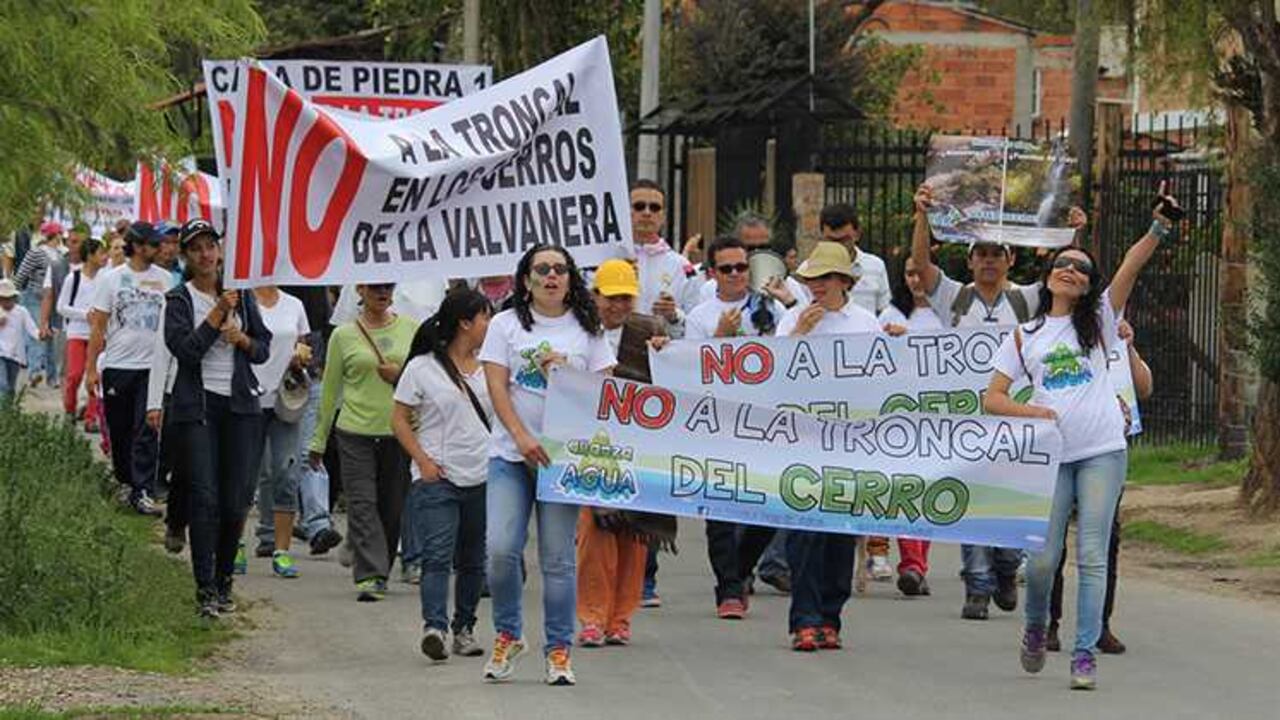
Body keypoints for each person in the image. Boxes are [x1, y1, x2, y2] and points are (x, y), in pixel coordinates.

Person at [985, 194, 1169, 690]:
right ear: (1048, 276)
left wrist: (1158, 228)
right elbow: (993, 398)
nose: (1071, 270)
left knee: (1092, 553)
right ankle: (1035, 626)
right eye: (1063, 264)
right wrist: (1035, 410)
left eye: (1081, 268)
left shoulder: (1101, 324)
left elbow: (1130, 266)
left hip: (1103, 451)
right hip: (1053, 457)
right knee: (1042, 560)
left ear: (1089, 286)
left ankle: (1084, 654)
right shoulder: (1025, 335)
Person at [911, 184, 1087, 620]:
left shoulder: (1025, 299)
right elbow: (921, 263)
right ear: (970, 259)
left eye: (997, 253)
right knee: (973, 496)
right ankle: (977, 585)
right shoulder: (955, 297)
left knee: (1008, 495)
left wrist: (1075, 235)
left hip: (1014, 415)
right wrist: (921, 216)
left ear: (1011, 259)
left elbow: (1068, 278)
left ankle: (1006, 567)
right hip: (969, 416)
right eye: (981, 253)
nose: (989, 260)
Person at [479, 244, 614, 686]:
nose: (552, 276)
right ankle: (508, 634)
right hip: (511, 455)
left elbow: (604, 393)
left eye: (560, 269)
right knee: (500, 550)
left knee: (557, 561)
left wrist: (568, 375)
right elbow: (497, 387)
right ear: (526, 280)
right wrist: (520, 436)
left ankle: (558, 649)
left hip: (563, 461)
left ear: (571, 278)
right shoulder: (505, 325)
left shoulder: (588, 329)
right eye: (542, 269)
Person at [773, 241, 885, 650]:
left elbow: (883, 378)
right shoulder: (791, 320)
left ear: (842, 281)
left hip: (849, 443)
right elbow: (772, 373)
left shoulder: (865, 322)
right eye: (810, 279)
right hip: (802, 440)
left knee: (840, 533)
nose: (815, 286)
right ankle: (803, 617)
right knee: (804, 533)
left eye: (823, 279)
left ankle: (830, 616)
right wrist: (800, 332)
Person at [159, 219, 271, 618]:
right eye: (197, 249)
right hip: (198, 407)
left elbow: (263, 350)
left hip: (241, 406)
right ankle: (204, 587)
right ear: (187, 257)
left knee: (235, 500)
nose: (206, 255)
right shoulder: (179, 301)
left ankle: (225, 580)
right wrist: (216, 315)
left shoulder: (242, 296)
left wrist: (242, 339)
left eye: (211, 246)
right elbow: (186, 352)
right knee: (204, 498)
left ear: (220, 251)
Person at [391, 288, 494, 663]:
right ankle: (434, 627)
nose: (489, 324)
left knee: (472, 559)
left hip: (483, 474)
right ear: (465, 323)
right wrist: (423, 460)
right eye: (484, 317)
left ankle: (464, 628)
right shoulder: (423, 367)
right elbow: (399, 418)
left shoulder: (492, 366)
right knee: (436, 555)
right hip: (438, 477)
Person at [576, 259, 672, 648]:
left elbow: (675, 380)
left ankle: (620, 617)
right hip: (590, 446)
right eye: (610, 298)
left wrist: (666, 353)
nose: (617, 306)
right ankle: (592, 617)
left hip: (639, 447)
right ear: (594, 295)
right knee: (595, 535)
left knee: (635, 536)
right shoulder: (577, 332)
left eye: (624, 298)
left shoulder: (650, 330)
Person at [686, 235, 782, 619]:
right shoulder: (701, 316)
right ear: (713, 274)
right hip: (719, 422)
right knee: (721, 511)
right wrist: (720, 339)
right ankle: (728, 587)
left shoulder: (771, 307)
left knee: (768, 508)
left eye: (742, 267)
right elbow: (690, 369)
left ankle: (741, 570)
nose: (736, 275)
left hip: (766, 421)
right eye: (726, 269)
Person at [1046, 317, 1153, 655]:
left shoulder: (1116, 337)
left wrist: (1130, 346)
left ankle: (1099, 625)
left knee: (1104, 542)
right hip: (1062, 452)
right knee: (1052, 543)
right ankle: (1048, 622)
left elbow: (1145, 387)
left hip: (1105, 454)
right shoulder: (1054, 337)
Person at [309, 283, 416, 601]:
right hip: (354, 430)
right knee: (362, 502)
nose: (382, 292)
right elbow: (330, 390)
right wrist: (318, 439)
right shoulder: (343, 335)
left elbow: (423, 378)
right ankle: (371, 574)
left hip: (397, 431)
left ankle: (371, 557)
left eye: (388, 286)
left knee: (391, 506)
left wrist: (400, 375)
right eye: (375, 287)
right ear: (360, 289)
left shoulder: (411, 329)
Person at [86, 221, 174, 517]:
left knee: (146, 429)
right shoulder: (111, 279)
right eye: (153, 244)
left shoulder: (166, 280)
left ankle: (143, 490)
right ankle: (125, 481)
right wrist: (91, 370)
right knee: (121, 429)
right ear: (137, 246)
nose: (160, 248)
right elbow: (98, 326)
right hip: (118, 365)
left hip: (152, 367)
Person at [876, 252, 945, 596]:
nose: (916, 281)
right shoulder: (890, 315)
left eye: (921, 274)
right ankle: (911, 564)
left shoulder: (948, 314)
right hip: (899, 414)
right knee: (905, 488)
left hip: (938, 415)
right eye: (909, 274)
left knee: (929, 488)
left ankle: (919, 564)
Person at [250, 284, 312, 578]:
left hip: (285, 399)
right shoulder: (241, 301)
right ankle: (235, 543)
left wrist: (301, 356)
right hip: (248, 397)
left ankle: (282, 550)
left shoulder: (295, 305)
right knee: (247, 474)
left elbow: (303, 344)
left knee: (286, 471)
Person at [630, 180, 701, 336]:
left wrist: (673, 315)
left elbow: (697, 322)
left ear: (663, 216)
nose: (647, 213)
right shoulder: (608, 258)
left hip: (663, 352)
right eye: (639, 206)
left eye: (655, 208)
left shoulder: (682, 266)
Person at [56, 237, 107, 431]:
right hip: (77, 333)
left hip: (98, 334)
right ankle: (69, 409)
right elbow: (61, 307)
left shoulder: (106, 278)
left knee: (95, 376)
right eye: (101, 252)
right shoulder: (73, 278)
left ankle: (91, 417)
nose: (104, 257)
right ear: (90, 255)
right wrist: (84, 315)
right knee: (75, 374)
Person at [12, 221, 63, 386]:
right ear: (56, 235)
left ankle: (52, 377)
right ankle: (35, 372)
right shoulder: (36, 253)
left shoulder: (61, 255)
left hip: (53, 300)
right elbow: (21, 275)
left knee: (50, 338)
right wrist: (13, 295)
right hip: (34, 298)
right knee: (36, 334)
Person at [0, 279, 41, 405]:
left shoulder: (21, 311)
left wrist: (41, 335)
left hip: (15, 355)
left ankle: (8, 414)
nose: (7, 301)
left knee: (11, 387)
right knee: (3, 385)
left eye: (9, 298)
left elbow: (32, 328)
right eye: (3, 298)